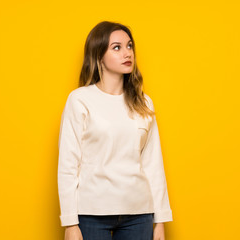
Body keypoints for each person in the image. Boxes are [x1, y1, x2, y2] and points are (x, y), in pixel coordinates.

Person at [57, 21, 173, 240]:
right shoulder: (80, 100)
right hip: (91, 213)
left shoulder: (144, 102)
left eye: (129, 46)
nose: (127, 53)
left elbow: (153, 165)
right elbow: (68, 165)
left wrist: (160, 221)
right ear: (99, 55)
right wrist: (70, 223)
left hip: (139, 213)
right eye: (117, 47)